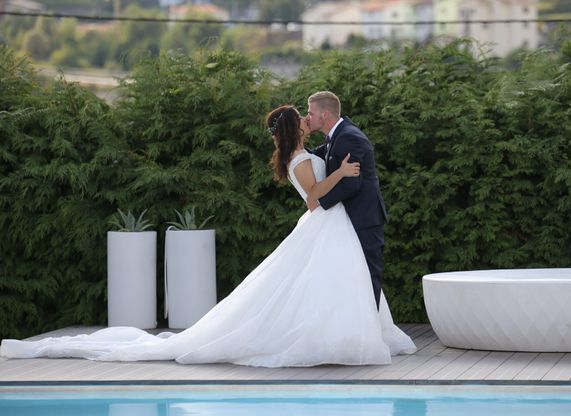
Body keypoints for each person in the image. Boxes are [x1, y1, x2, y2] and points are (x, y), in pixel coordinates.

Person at [0, 105, 415, 367]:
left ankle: (342, 334)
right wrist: (341, 173)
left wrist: (335, 166)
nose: (308, 120)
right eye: (302, 117)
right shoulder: (301, 158)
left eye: (310, 114)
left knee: (331, 283)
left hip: (332, 228)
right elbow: (312, 199)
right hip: (323, 222)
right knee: (313, 285)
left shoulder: (303, 154)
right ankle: (328, 338)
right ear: (296, 128)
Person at [306, 91, 387, 309]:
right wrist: (293, 142)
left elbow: (353, 183)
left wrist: (319, 203)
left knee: (369, 275)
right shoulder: (336, 135)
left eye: (310, 113)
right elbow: (313, 156)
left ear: (324, 115)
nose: (308, 118)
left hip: (364, 218)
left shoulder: (349, 136)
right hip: (349, 220)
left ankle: (371, 334)